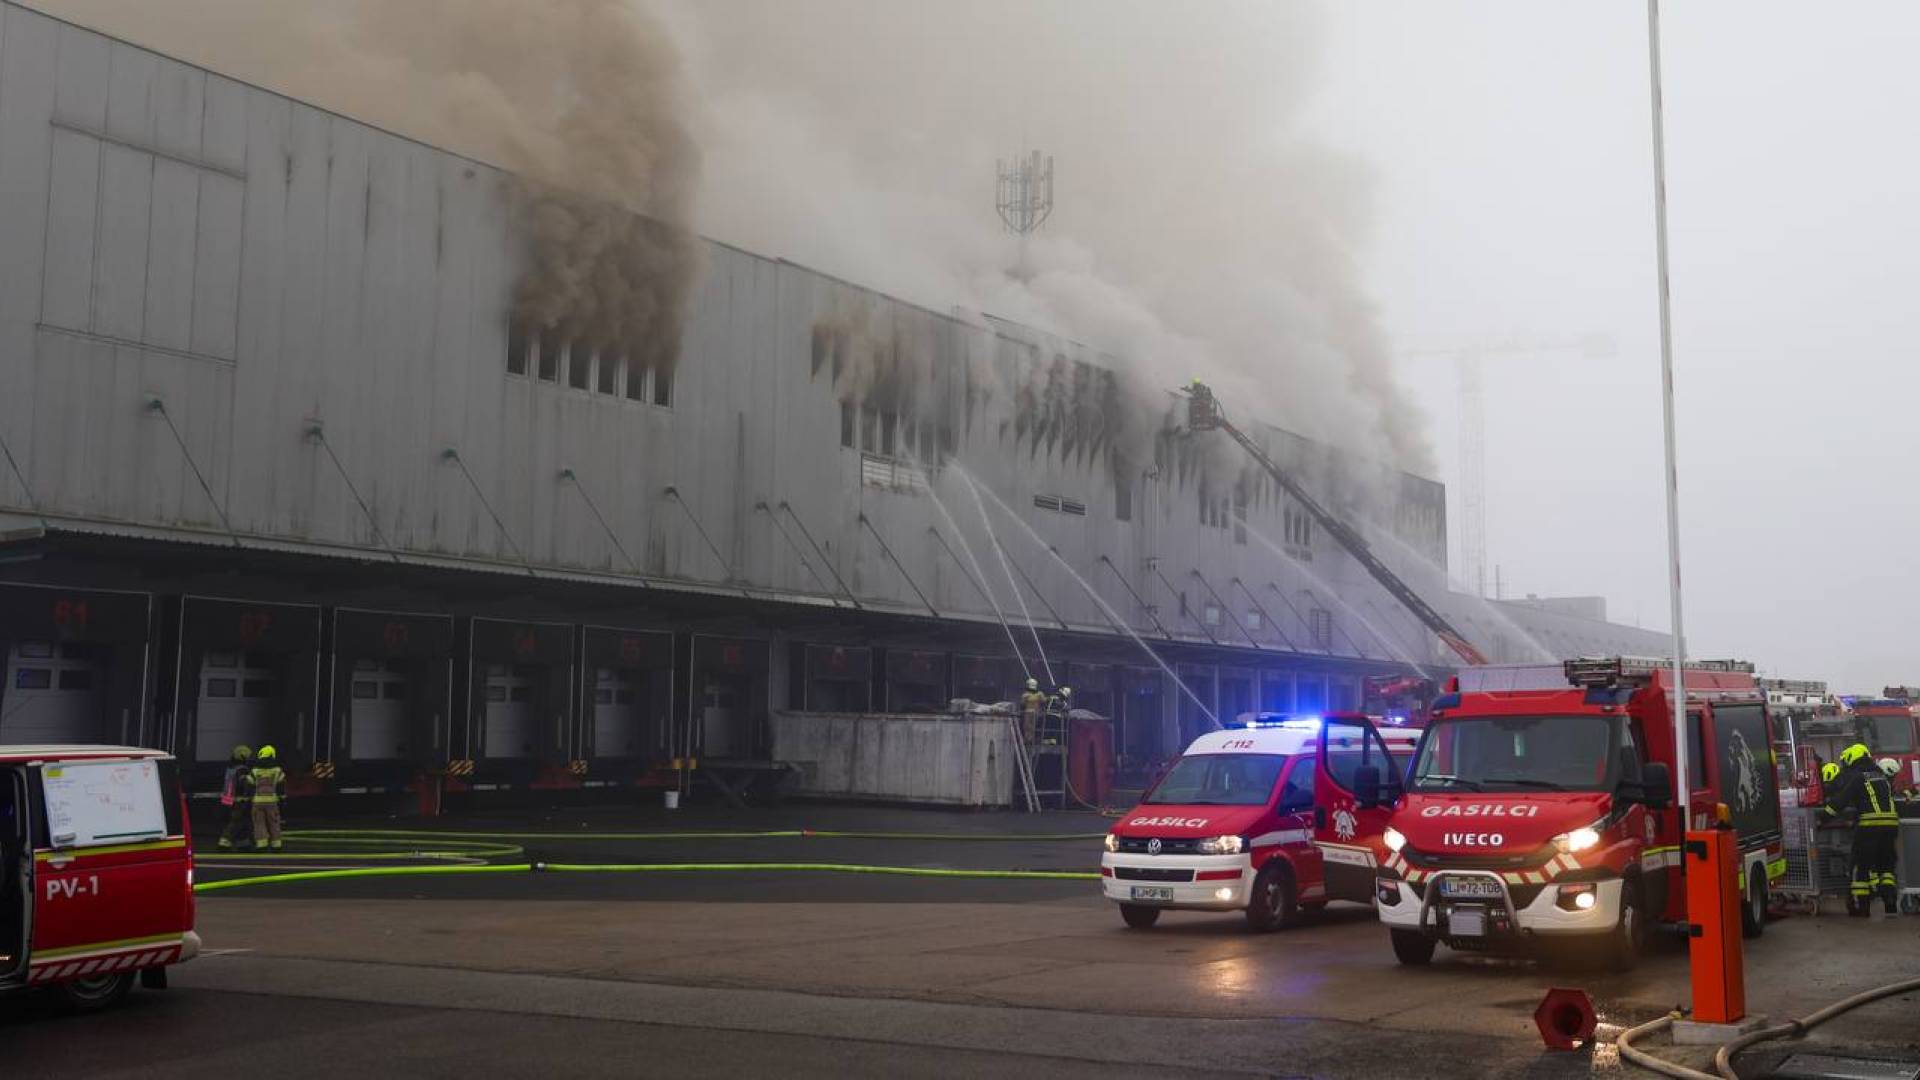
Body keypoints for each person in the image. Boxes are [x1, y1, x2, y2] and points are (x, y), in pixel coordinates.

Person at [1821, 742, 1899, 917]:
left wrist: (1822, 818)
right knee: (1886, 867)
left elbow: (1840, 802)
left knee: (1860, 866)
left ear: (1852, 759)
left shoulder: (1858, 778)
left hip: (1869, 826)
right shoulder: (1881, 776)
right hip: (1891, 826)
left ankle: (1861, 908)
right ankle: (1891, 905)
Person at [248, 745, 287, 852]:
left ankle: (261, 845)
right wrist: (283, 800)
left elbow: (249, 785)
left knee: (259, 823)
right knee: (274, 823)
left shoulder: (254, 770)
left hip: (257, 802)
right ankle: (276, 845)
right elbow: (281, 787)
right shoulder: (277, 770)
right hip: (272, 802)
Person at [217, 744, 254, 851]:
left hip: (227, 799)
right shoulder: (242, 769)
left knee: (242, 821)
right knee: (237, 821)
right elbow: (244, 784)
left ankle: (243, 843)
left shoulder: (230, 769)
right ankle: (224, 842)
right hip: (239, 800)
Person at [1019, 678, 1048, 743]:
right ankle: (1029, 740)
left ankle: (1029, 740)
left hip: (1029, 713)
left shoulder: (1026, 695)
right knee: (1029, 727)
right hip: (1034, 713)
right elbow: (1045, 702)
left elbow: (1022, 705)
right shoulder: (1039, 694)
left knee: (1028, 727)